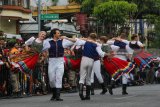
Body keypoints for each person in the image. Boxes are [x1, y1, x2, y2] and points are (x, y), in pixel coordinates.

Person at [43, 28, 76, 101]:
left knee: (59, 78)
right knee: (51, 79)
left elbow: (75, 41)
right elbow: (41, 49)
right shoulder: (48, 41)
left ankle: (57, 96)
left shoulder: (63, 41)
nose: (60, 34)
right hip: (51, 61)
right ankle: (54, 94)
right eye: (58, 33)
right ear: (54, 34)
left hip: (60, 61)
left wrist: (67, 37)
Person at [75, 33, 108, 100]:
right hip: (91, 60)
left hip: (95, 60)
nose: (100, 40)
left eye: (101, 40)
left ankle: (104, 88)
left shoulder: (97, 44)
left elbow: (102, 49)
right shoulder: (89, 42)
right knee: (91, 75)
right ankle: (91, 92)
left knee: (98, 74)